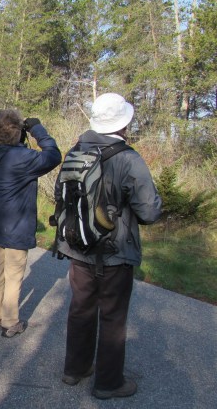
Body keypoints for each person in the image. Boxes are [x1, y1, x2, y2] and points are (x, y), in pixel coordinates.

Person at [56, 93, 162, 399]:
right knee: (113, 316)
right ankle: (108, 383)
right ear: (124, 123)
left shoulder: (75, 150)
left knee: (81, 308)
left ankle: (74, 369)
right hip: (115, 252)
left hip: (78, 247)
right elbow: (150, 212)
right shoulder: (129, 158)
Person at [0, 111, 61, 337]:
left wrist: (20, 138)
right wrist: (37, 130)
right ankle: (9, 321)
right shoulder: (24, 158)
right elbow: (54, 155)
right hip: (17, 226)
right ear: (17, 132)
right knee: (14, 274)